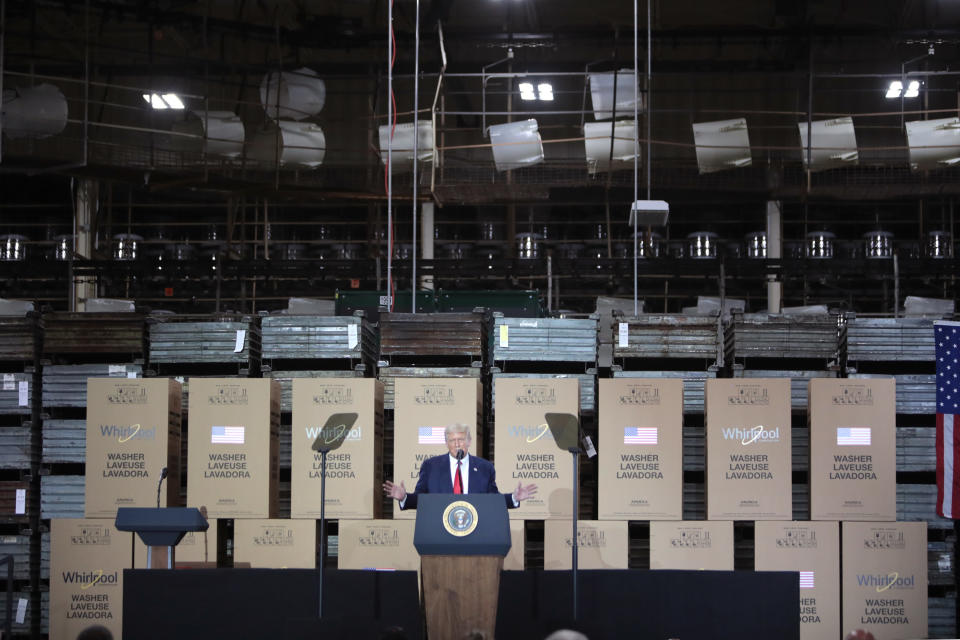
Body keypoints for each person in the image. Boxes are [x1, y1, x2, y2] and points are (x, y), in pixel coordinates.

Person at [383, 423, 537, 509]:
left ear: (469, 442)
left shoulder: (485, 467)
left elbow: (492, 500)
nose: (457, 444)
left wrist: (513, 498)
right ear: (446, 443)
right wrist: (404, 497)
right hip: (440, 530)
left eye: (461, 439)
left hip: (475, 529)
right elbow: (421, 499)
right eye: (452, 440)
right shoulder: (431, 466)